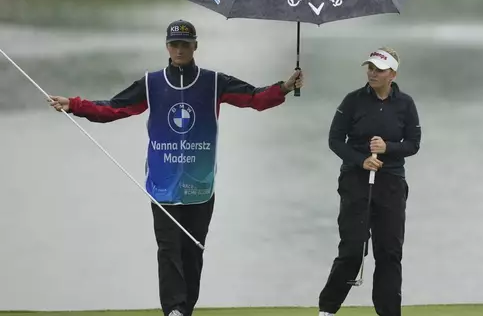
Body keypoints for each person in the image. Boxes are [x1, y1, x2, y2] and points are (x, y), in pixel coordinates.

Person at [48, 19, 303, 316]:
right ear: (167, 47)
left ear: (195, 46)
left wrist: (284, 87)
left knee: (192, 253)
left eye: (185, 44)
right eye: (174, 44)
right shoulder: (151, 83)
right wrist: (75, 104)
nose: (179, 49)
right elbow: (113, 108)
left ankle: (185, 309)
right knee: (169, 251)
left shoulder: (214, 82)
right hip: (163, 184)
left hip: (200, 186)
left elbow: (254, 98)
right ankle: (173, 311)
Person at [318, 47, 420, 316]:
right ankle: (327, 310)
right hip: (356, 181)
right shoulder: (353, 101)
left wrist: (388, 148)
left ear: (392, 74)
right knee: (352, 250)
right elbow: (335, 140)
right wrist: (361, 160)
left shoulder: (405, 104)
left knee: (388, 253)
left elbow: (413, 144)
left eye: (379, 69)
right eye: (370, 68)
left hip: (391, 183)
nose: (372, 73)